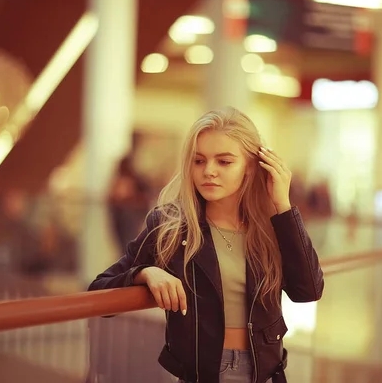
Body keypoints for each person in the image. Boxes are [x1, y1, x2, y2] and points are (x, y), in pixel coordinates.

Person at [88, 107, 324, 383]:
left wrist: (283, 206)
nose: (209, 171)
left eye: (224, 162)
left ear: (250, 167)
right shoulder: (171, 225)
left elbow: (308, 290)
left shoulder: (271, 227)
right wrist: (144, 273)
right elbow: (98, 294)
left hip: (265, 373)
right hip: (203, 374)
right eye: (199, 161)